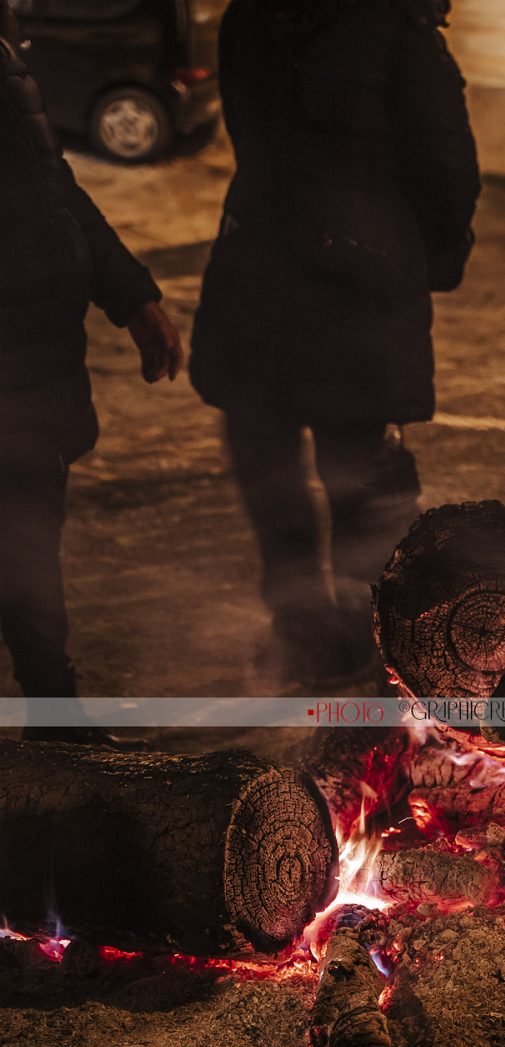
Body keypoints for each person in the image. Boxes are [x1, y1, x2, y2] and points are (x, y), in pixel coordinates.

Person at [190, 0, 480, 685]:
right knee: (356, 475)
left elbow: (251, 137)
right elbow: (446, 163)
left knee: (276, 470)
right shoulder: (391, 26)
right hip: (352, 282)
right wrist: (423, 256)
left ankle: (308, 633)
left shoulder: (248, 19)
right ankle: (360, 641)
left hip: (262, 270)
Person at [0, 1, 183, 740]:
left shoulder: (5, 61)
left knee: (27, 546)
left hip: (35, 360)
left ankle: (54, 712)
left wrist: (131, 295)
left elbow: (52, 190)